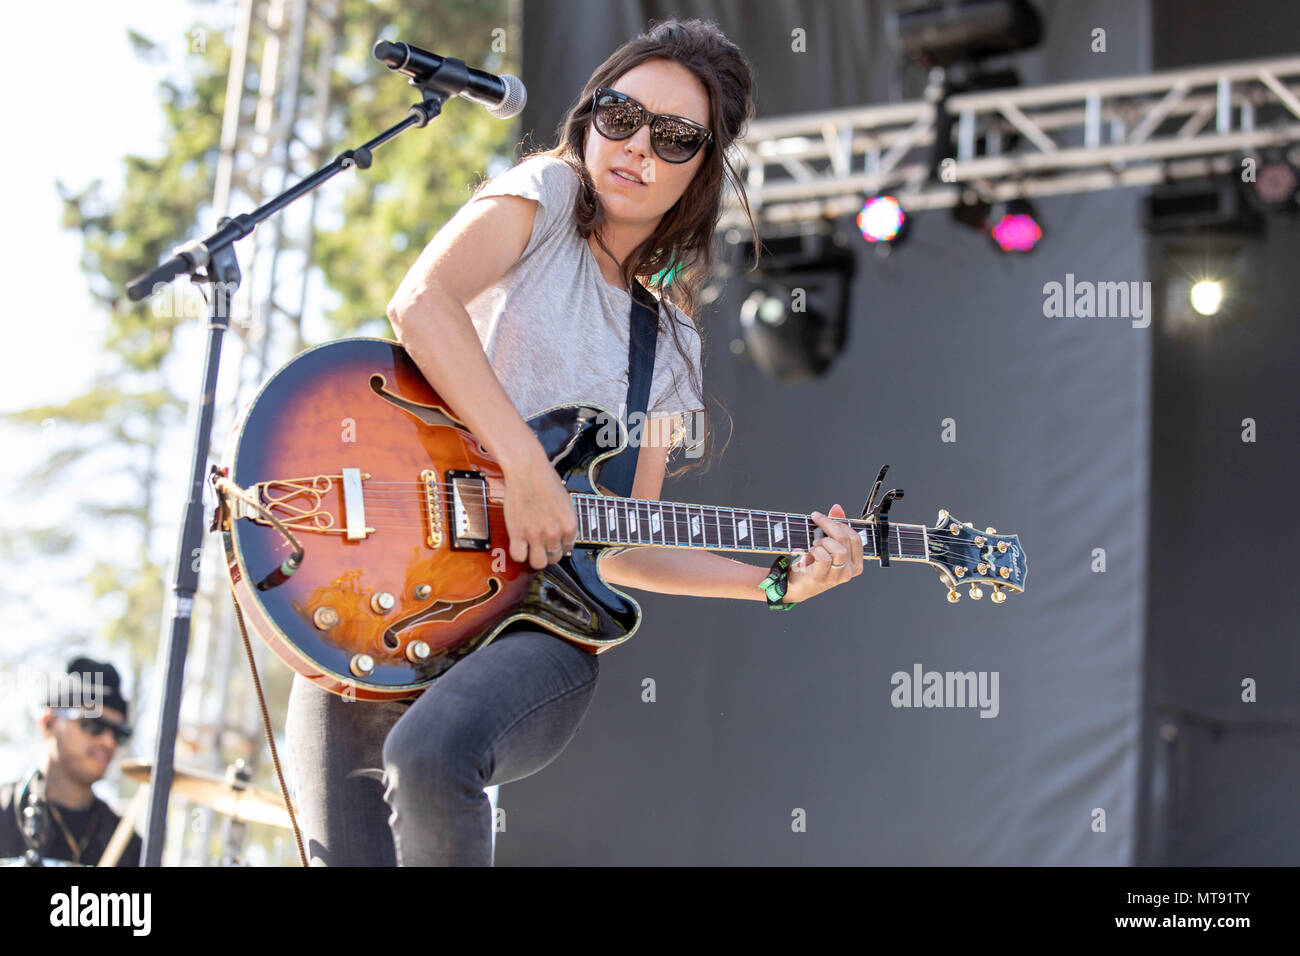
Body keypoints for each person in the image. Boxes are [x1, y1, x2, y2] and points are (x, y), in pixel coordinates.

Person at [284, 17, 865, 867]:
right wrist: (523, 465)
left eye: (674, 139)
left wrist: (779, 583)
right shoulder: (546, 193)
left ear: (701, 170)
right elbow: (422, 303)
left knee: (431, 753)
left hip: (538, 632)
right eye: (619, 116)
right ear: (590, 115)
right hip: (387, 581)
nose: (637, 148)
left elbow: (626, 545)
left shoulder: (669, 342)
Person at [0, 656, 142, 866]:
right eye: (93, 724)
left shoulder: (128, 844)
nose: (108, 741)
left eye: (119, 733)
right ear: (49, 722)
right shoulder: (5, 812)